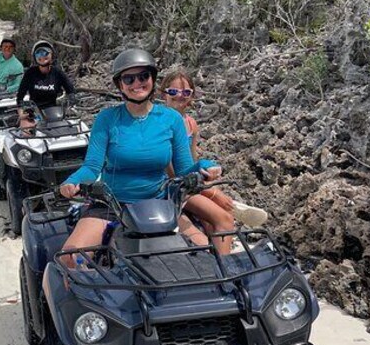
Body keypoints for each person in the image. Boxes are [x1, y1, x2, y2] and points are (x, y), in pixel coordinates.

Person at [59, 48, 228, 255]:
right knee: (70, 257)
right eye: (128, 79)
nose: (137, 83)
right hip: (112, 207)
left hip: (160, 206)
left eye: (143, 76)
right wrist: (72, 181)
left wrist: (205, 165)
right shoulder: (107, 119)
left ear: (153, 79)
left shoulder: (171, 119)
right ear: (119, 85)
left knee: (205, 255)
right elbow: (92, 167)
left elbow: (184, 169)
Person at [160, 71, 268, 230]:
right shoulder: (160, 125)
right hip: (172, 185)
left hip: (190, 180)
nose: (180, 96)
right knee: (223, 216)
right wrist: (211, 193)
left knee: (211, 223)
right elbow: (170, 172)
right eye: (173, 92)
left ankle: (225, 213)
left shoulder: (191, 124)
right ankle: (229, 206)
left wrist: (207, 179)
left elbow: (193, 160)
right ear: (164, 94)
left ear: (192, 95)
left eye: (186, 92)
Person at [16, 39, 75, 129]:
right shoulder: (30, 73)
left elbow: (70, 89)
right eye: (38, 53)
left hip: (55, 113)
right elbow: (20, 96)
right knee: (26, 131)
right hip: (34, 113)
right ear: (34, 57)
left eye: (45, 53)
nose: (42, 56)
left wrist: (71, 101)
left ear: (52, 55)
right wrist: (21, 113)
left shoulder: (57, 72)